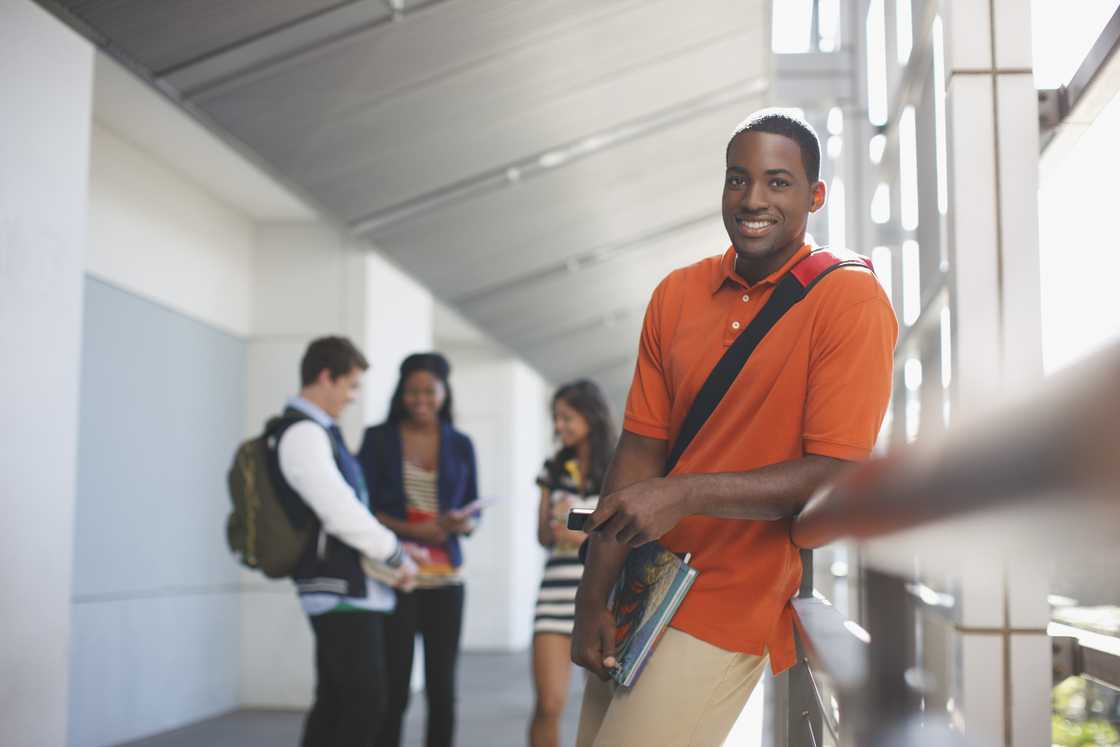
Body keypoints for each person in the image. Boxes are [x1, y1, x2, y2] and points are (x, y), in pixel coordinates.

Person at [571, 109, 898, 746]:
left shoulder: (849, 299)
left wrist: (684, 493)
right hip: (642, 587)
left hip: (731, 600)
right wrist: (592, 598)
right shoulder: (676, 293)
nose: (753, 199)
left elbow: (835, 471)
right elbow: (637, 453)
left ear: (815, 195)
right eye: (737, 180)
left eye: (779, 183)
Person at [275, 335, 421, 747]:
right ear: (326, 377)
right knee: (365, 700)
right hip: (336, 587)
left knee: (337, 700)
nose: (353, 396)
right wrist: (393, 553)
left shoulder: (318, 432)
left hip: (344, 585)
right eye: (351, 385)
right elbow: (339, 510)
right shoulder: (303, 434)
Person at [357, 352, 479, 747]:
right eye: (412, 391)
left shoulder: (461, 444)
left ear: (445, 392)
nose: (421, 398)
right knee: (392, 687)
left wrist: (465, 522)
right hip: (396, 576)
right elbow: (362, 505)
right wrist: (413, 530)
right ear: (401, 392)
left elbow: (475, 509)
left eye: (430, 390)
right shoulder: (378, 439)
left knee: (443, 688)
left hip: (447, 579)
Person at [530, 380, 617, 747]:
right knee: (549, 704)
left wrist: (581, 535)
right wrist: (556, 528)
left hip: (601, 599)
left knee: (600, 708)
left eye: (567, 417)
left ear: (590, 417)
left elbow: (623, 535)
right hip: (554, 597)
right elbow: (543, 537)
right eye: (556, 418)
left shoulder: (618, 469)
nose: (559, 425)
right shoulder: (553, 469)